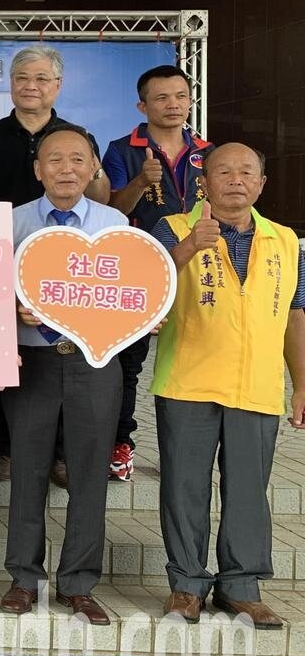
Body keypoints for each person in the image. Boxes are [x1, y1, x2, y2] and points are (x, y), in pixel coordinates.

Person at [149, 143, 305, 629]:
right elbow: (146, 286)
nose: (236, 179)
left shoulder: (286, 241)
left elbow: (295, 316)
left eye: (246, 172)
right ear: (205, 183)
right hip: (188, 382)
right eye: (224, 171)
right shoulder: (173, 228)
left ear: (261, 183)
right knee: (184, 488)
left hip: (257, 385)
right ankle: (187, 585)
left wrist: (301, 385)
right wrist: (188, 247)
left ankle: (241, 587)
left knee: (248, 491)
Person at [0, 125, 128, 626]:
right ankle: (23, 579)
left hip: (94, 363)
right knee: (28, 471)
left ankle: (78, 584)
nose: (66, 169)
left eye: (78, 159)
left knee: (89, 474)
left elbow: (129, 291)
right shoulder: (11, 223)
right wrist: (12, 307)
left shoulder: (115, 225)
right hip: (32, 361)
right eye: (54, 160)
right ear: (38, 170)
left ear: (94, 166)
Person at [0, 45, 109, 482]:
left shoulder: (77, 136)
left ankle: (61, 453)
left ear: (57, 85)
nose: (31, 86)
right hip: (5, 249)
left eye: (42, 78)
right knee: (0, 345)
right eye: (23, 78)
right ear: (11, 84)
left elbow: (100, 196)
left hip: (68, 256)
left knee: (64, 351)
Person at [102, 66, 211, 481]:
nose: (173, 105)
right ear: (142, 105)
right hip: (139, 268)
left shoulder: (208, 152)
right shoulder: (121, 149)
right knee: (128, 363)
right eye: (162, 98)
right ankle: (120, 444)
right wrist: (140, 181)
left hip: (200, 267)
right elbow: (112, 210)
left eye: (180, 96)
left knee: (193, 358)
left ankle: (184, 452)